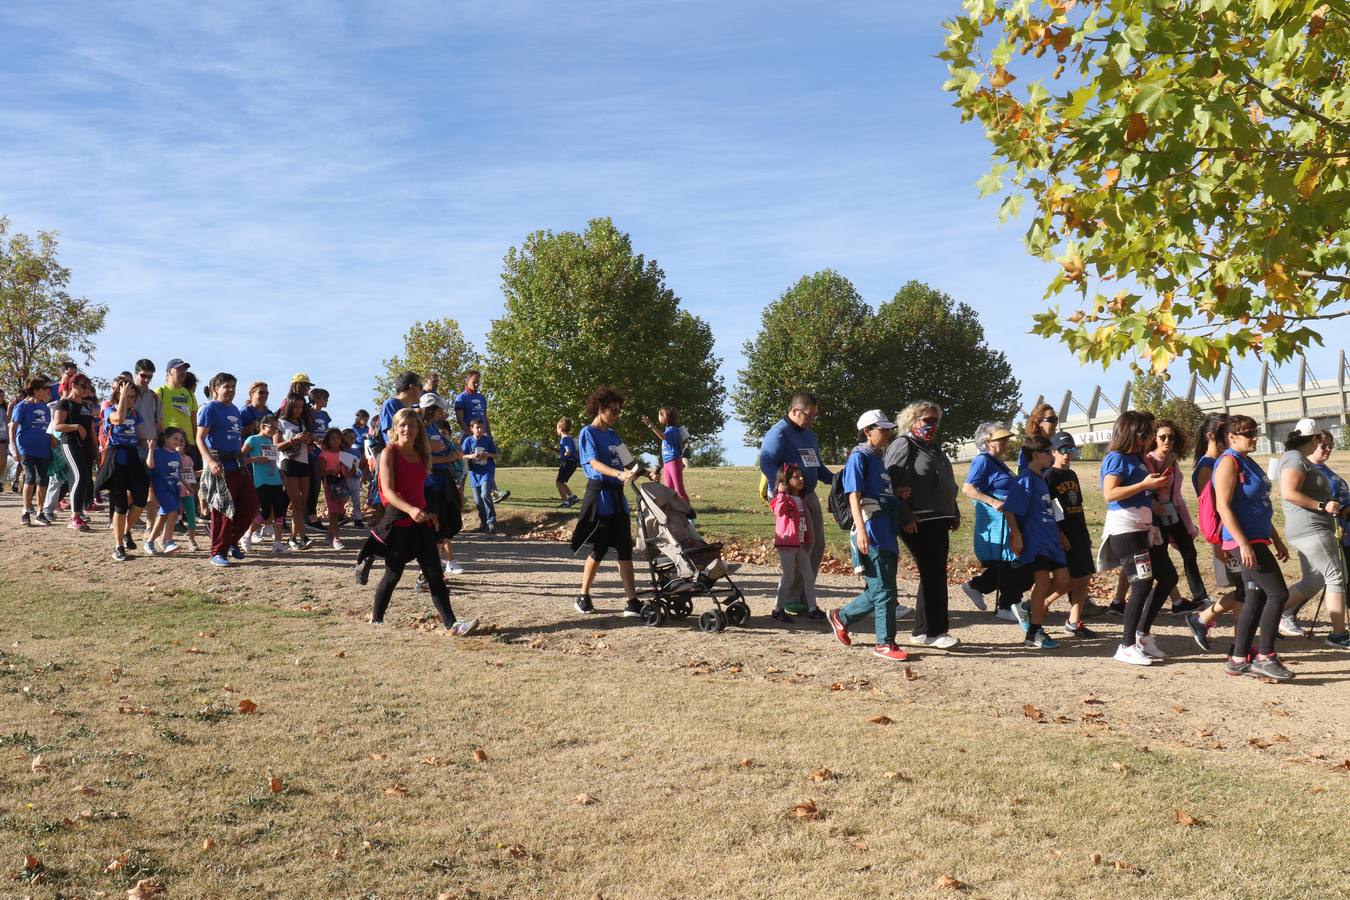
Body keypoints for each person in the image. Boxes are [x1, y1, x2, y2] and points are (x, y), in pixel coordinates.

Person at [369, 408, 477, 636]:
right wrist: (410, 509)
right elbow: (388, 491)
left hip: (421, 520)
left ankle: (452, 624)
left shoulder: (422, 453)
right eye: (403, 425)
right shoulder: (389, 452)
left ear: (419, 429)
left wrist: (431, 514)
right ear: (395, 429)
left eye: (412, 425)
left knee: (434, 573)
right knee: (392, 574)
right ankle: (376, 620)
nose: (408, 429)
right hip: (398, 520)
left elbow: (421, 489)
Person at [1214, 415, 1294, 680]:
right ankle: (1266, 656)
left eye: (1255, 432)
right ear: (1232, 436)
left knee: (1255, 598)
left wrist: (1277, 539)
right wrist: (1243, 543)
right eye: (1248, 433)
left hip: (1258, 539)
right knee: (1278, 594)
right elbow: (1223, 507)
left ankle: (1238, 659)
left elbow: (1258, 504)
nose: (1254, 437)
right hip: (1244, 541)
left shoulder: (1247, 461)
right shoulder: (1228, 461)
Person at [1098, 411, 1178, 666]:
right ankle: (1126, 645)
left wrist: (1153, 494)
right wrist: (1144, 485)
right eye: (1147, 433)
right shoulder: (1117, 458)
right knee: (1142, 583)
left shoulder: (1138, 458)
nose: (1150, 438)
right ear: (1133, 433)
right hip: (1125, 529)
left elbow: (1140, 488)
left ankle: (1142, 634)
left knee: (1168, 577)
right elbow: (1110, 494)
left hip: (1144, 528)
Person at [828, 410, 906, 661]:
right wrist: (861, 531)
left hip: (886, 530)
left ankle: (842, 616)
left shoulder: (878, 458)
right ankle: (884, 643)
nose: (887, 433)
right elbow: (854, 496)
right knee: (884, 590)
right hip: (872, 530)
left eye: (887, 429)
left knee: (882, 589)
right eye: (882, 429)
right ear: (867, 432)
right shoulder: (859, 458)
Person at [888, 401, 960, 649]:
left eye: (935, 421)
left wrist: (954, 510)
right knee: (933, 573)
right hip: (918, 520)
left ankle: (921, 631)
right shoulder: (903, 445)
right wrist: (905, 515)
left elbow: (947, 481)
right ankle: (935, 632)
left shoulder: (934, 448)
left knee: (933, 573)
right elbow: (892, 483)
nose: (933, 425)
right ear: (912, 420)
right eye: (927, 420)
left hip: (939, 519)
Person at [569, 386, 643, 617]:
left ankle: (631, 602)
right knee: (599, 549)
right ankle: (583, 596)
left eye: (619, 411)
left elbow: (629, 462)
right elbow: (593, 463)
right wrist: (618, 474)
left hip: (617, 497)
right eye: (613, 410)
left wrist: (647, 473)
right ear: (600, 408)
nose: (616, 415)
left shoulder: (613, 435)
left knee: (624, 548)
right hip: (599, 497)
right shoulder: (587, 433)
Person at [758, 393, 834, 615]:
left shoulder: (809, 435)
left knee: (816, 544)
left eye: (814, 416)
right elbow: (767, 462)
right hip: (791, 501)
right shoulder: (779, 433)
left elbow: (817, 467)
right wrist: (784, 488)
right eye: (809, 415)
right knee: (800, 547)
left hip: (808, 495)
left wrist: (837, 479)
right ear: (794, 411)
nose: (812, 420)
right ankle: (792, 598)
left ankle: (802, 596)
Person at [1277, 424, 1347, 645]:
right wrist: (1322, 505)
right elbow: (1289, 492)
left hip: (1312, 528)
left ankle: (1268, 612)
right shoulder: (1294, 458)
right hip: (1311, 528)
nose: (1323, 446)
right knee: (1337, 576)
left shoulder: (1299, 458)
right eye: (1321, 440)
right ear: (1313, 438)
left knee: (1314, 580)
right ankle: (1339, 635)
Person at [1003, 435, 1065, 649]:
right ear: (1036, 455)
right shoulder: (1025, 479)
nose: (1051, 456)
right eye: (1049, 452)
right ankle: (1034, 631)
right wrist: (1017, 535)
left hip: (1051, 541)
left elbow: (1049, 510)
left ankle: (1028, 606)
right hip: (1035, 541)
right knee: (1043, 582)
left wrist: (1060, 536)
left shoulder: (1041, 478)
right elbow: (1010, 510)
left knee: (1063, 579)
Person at [960, 423, 1025, 618]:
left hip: (1008, 518)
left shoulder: (997, 461)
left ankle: (976, 587)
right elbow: (968, 488)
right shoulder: (982, 461)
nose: (1005, 442)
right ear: (987, 441)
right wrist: (993, 501)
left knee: (1010, 561)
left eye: (1005, 439)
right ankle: (1006, 607)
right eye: (1001, 439)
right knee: (1006, 561)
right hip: (997, 520)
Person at [196, 372, 259, 568]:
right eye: (226, 387)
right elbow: (199, 438)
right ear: (216, 388)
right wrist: (210, 461)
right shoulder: (210, 409)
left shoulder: (234, 409)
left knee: (251, 504)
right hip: (219, 463)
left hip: (237, 463)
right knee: (223, 509)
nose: (230, 390)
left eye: (233, 386)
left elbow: (236, 436)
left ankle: (232, 540)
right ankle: (217, 552)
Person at [1145, 419, 1207, 615]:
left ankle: (1200, 596)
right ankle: (1169, 599)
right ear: (1154, 438)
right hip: (1158, 513)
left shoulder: (1173, 458)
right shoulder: (1150, 459)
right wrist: (1168, 463)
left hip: (1175, 511)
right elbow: (1156, 484)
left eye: (1171, 437)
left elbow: (1176, 488)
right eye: (1162, 437)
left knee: (1189, 551)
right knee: (1161, 555)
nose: (1167, 441)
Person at [1042, 432, 1098, 637]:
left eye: (1070, 450)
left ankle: (1074, 621)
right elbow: (1048, 509)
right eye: (1063, 450)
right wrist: (1059, 534)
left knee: (1085, 577)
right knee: (1069, 579)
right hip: (1063, 533)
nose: (1067, 455)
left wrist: (1085, 532)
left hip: (1078, 531)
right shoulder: (1049, 476)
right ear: (1053, 452)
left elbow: (1078, 505)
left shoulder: (1072, 475)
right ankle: (1038, 603)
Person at [100, 380, 150, 561]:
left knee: (141, 499)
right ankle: (118, 546)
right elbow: (119, 418)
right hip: (116, 456)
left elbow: (139, 437)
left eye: (132, 397)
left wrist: (146, 451)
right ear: (118, 395)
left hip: (133, 456)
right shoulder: (109, 410)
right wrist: (121, 397)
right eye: (126, 396)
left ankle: (126, 531)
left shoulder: (136, 414)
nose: (130, 400)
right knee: (120, 504)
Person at [418, 394, 464, 576]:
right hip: (430, 482)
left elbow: (444, 449)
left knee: (443, 523)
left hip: (443, 478)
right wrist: (448, 457)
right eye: (439, 409)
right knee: (433, 523)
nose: (442, 412)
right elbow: (423, 458)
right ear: (431, 409)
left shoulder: (435, 427)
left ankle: (439, 565)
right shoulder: (420, 428)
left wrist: (453, 454)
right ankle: (430, 569)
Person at [770, 463, 819, 623]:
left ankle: (812, 608)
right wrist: (782, 492)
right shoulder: (782, 498)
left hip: (798, 544)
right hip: (786, 543)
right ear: (786, 480)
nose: (801, 479)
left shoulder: (800, 499)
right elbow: (779, 511)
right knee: (788, 576)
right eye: (796, 477)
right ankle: (778, 609)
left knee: (808, 575)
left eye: (801, 476)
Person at [54, 373, 97, 531]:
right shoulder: (65, 403)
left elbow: (91, 429)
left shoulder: (86, 405)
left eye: (88, 387)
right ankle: (74, 517)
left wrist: (95, 449)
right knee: (80, 475)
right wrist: (76, 427)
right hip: (70, 443)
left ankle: (78, 513)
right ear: (73, 385)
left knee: (84, 478)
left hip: (85, 446)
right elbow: (57, 426)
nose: (86, 390)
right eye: (83, 386)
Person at [9, 376, 54, 525]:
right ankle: (25, 511)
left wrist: (53, 439)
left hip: (43, 449)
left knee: (43, 480)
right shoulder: (21, 406)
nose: (47, 391)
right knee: (30, 478)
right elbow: (13, 428)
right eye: (43, 389)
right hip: (26, 448)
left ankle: (40, 513)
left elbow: (49, 427)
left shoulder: (45, 407)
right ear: (35, 390)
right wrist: (15, 449)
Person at [242, 416, 288, 555]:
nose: (275, 430)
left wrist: (280, 472)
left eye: (276, 427)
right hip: (262, 481)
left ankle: (277, 544)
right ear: (263, 426)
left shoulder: (270, 441)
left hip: (276, 480)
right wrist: (255, 459)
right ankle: (247, 535)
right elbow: (240, 458)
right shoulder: (252, 439)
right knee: (265, 512)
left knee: (280, 512)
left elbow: (273, 461)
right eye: (272, 426)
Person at [275, 392, 315, 550]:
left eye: (301, 407)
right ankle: (303, 537)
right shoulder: (281, 423)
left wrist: (309, 440)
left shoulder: (304, 423)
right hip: (288, 463)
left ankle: (293, 538)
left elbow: (311, 444)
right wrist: (294, 440)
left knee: (301, 503)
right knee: (296, 500)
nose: (298, 410)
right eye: (296, 406)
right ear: (290, 406)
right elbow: (276, 446)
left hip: (304, 462)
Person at [145, 427, 185, 555]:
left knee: (163, 517)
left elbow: (178, 474)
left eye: (180, 439)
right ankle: (168, 541)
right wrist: (150, 450)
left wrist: (187, 487)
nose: (178, 441)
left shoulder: (177, 455)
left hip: (174, 488)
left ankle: (150, 542)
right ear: (165, 438)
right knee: (173, 513)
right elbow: (150, 465)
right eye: (175, 438)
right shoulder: (157, 452)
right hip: (162, 488)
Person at [316, 428, 356, 549]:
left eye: (338, 438)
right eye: (333, 438)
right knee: (333, 512)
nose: (336, 441)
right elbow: (319, 471)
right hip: (330, 486)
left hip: (341, 486)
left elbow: (350, 471)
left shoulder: (344, 455)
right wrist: (329, 471)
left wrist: (349, 472)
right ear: (328, 440)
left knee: (338, 512)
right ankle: (336, 538)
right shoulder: (324, 455)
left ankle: (329, 536)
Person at [640, 407, 689, 503]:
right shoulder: (669, 429)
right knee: (669, 490)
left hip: (674, 462)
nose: (658, 417)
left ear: (666, 417)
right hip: (667, 463)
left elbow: (662, 437)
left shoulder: (672, 430)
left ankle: (690, 516)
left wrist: (651, 425)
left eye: (660, 414)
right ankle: (674, 513)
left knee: (679, 490)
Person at [461, 418, 499, 534]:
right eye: (477, 427)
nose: (480, 430)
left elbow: (496, 455)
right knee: (478, 501)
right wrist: (471, 456)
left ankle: (491, 522)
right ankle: (483, 523)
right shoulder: (467, 441)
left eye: (481, 427)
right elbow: (460, 456)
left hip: (486, 472)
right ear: (471, 429)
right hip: (474, 474)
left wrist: (487, 455)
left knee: (485, 494)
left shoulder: (487, 441)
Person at [1017, 402, 1060, 473]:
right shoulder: (1029, 446)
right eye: (1051, 419)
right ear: (1038, 422)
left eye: (1056, 419)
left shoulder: (1057, 445)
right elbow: (1023, 474)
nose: (1055, 423)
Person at [555, 417, 580, 507]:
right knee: (561, 482)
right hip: (573, 463)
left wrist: (564, 456)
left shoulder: (564, 439)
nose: (556, 430)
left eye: (557, 428)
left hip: (568, 462)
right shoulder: (569, 438)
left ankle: (565, 502)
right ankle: (572, 497)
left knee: (558, 482)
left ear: (561, 428)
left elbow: (568, 451)